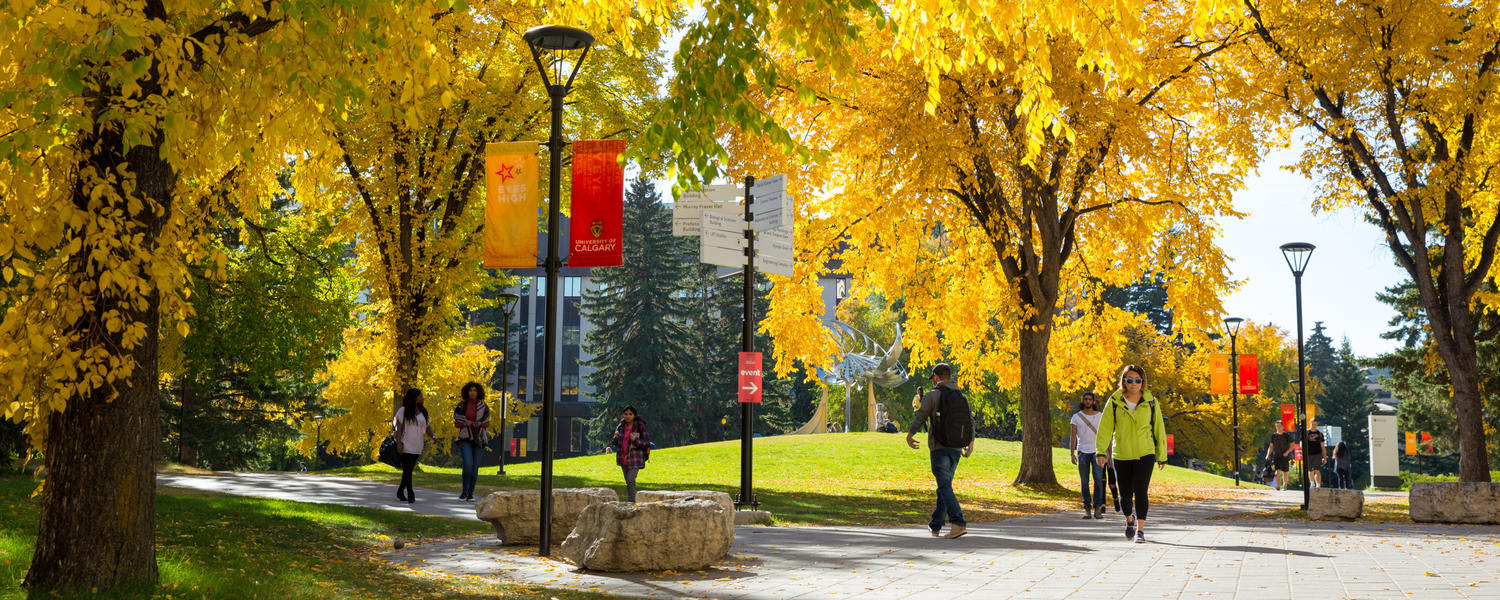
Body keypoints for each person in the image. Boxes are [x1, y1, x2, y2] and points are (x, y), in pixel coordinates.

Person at [1095, 365, 1168, 544]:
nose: (1133, 383)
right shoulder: (1114, 401)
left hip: (1146, 452)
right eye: (1129, 380)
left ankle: (1141, 531)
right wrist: (1100, 452)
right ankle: (1129, 519)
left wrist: (1162, 455)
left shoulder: (1151, 401)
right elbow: (1105, 428)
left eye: (1137, 380)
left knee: (1141, 490)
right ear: (1124, 381)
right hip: (1122, 453)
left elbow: (1159, 428)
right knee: (1125, 495)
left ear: (1142, 382)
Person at [906, 363, 975, 539]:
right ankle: (936, 525)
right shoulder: (961, 396)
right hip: (956, 447)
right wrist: (971, 442)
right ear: (950, 376)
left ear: (936, 377)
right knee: (944, 487)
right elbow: (969, 420)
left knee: (944, 486)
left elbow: (920, 416)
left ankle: (958, 523)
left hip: (939, 447)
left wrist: (910, 433)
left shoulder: (933, 395)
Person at [392, 388, 438, 504]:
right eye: (420, 396)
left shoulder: (423, 412)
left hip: (417, 446)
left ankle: (400, 491)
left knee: (408, 471)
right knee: (407, 471)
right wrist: (399, 444)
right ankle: (411, 493)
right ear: (414, 398)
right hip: (405, 445)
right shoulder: (403, 411)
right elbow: (398, 428)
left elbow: (427, 427)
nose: (423, 398)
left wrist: (432, 436)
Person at [1070, 391, 1107, 519]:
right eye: (1085, 399)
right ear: (1082, 401)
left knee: (1098, 479)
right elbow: (1073, 435)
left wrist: (1107, 453)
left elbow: (1104, 435)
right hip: (1082, 452)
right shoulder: (1076, 417)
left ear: (1093, 402)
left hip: (1097, 452)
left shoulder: (1100, 416)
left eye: (1090, 399)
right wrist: (1072, 453)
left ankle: (1097, 508)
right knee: (1084, 481)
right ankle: (1087, 508)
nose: (1087, 401)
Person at [452, 381, 492, 502]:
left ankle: (470, 494)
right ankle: (464, 492)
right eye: (470, 390)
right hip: (465, 438)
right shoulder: (461, 406)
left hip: (479, 439)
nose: (472, 393)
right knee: (468, 464)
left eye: (474, 390)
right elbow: (456, 423)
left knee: (475, 468)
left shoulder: (484, 406)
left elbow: (487, 423)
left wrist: (480, 423)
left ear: (478, 392)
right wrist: (465, 423)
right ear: (467, 392)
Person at [609, 406, 650, 501]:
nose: (627, 416)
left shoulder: (640, 426)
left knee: (630, 480)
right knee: (628, 482)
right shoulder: (621, 425)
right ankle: (632, 501)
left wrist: (635, 440)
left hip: (635, 458)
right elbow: (616, 443)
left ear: (634, 415)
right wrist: (615, 437)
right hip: (623, 457)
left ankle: (632, 502)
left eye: (630, 414)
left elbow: (646, 442)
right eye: (625, 414)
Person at [1266, 420, 1294, 491]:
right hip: (1277, 455)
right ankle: (1277, 485)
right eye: (1277, 426)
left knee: (1285, 471)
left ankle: (1285, 485)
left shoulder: (1287, 435)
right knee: (1277, 471)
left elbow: (1292, 445)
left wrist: (1287, 452)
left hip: (1285, 455)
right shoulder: (1273, 436)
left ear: (1282, 427)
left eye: (1279, 426)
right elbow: (1271, 446)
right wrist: (1268, 455)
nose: (1278, 427)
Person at [1304, 417, 1326, 488]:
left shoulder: (1320, 434)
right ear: (1309, 424)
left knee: (1317, 470)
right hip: (1308, 454)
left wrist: (1324, 457)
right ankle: (1312, 483)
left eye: (1315, 424)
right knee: (1310, 470)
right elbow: (1301, 444)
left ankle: (1318, 485)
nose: (1313, 426)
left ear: (1317, 425)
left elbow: (1322, 446)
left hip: (1317, 454)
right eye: (1312, 424)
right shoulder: (1306, 433)